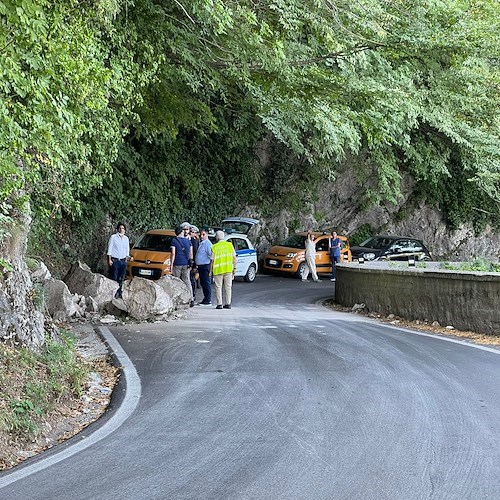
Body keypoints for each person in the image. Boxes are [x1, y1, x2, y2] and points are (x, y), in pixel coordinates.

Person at [210, 230, 237, 309]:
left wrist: (210, 271)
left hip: (218, 270)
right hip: (228, 269)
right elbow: (234, 258)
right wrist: (234, 269)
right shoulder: (229, 245)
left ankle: (219, 304)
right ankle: (228, 303)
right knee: (228, 287)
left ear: (217, 237)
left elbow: (212, 260)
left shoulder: (214, 247)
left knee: (218, 287)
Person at [171, 225, 194, 307]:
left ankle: (177, 300)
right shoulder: (188, 241)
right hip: (186, 264)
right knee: (187, 280)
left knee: (176, 281)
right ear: (182, 232)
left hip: (177, 263)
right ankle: (191, 298)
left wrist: (171, 265)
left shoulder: (174, 241)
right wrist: (190, 263)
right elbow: (191, 254)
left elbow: (173, 253)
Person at [107, 223, 130, 299]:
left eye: (123, 228)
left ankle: (119, 292)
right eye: (120, 228)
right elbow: (110, 248)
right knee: (114, 277)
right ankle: (113, 292)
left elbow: (127, 249)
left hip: (123, 261)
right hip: (115, 260)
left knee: (121, 277)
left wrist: (126, 258)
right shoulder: (113, 237)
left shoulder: (126, 238)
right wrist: (110, 259)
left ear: (125, 230)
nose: (121, 229)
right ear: (117, 229)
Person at [195, 227, 213, 305]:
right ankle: (206, 298)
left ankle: (207, 300)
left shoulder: (207, 243)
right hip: (201, 266)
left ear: (207, 234)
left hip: (205, 266)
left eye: (203, 234)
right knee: (203, 283)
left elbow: (211, 255)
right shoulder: (202, 243)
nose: (201, 236)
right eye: (201, 234)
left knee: (206, 283)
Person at [189, 225, 200, 300]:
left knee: (192, 279)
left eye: (192, 232)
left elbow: (195, 252)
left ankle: (193, 294)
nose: (191, 233)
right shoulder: (195, 240)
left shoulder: (194, 241)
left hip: (193, 263)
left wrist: (194, 265)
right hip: (193, 262)